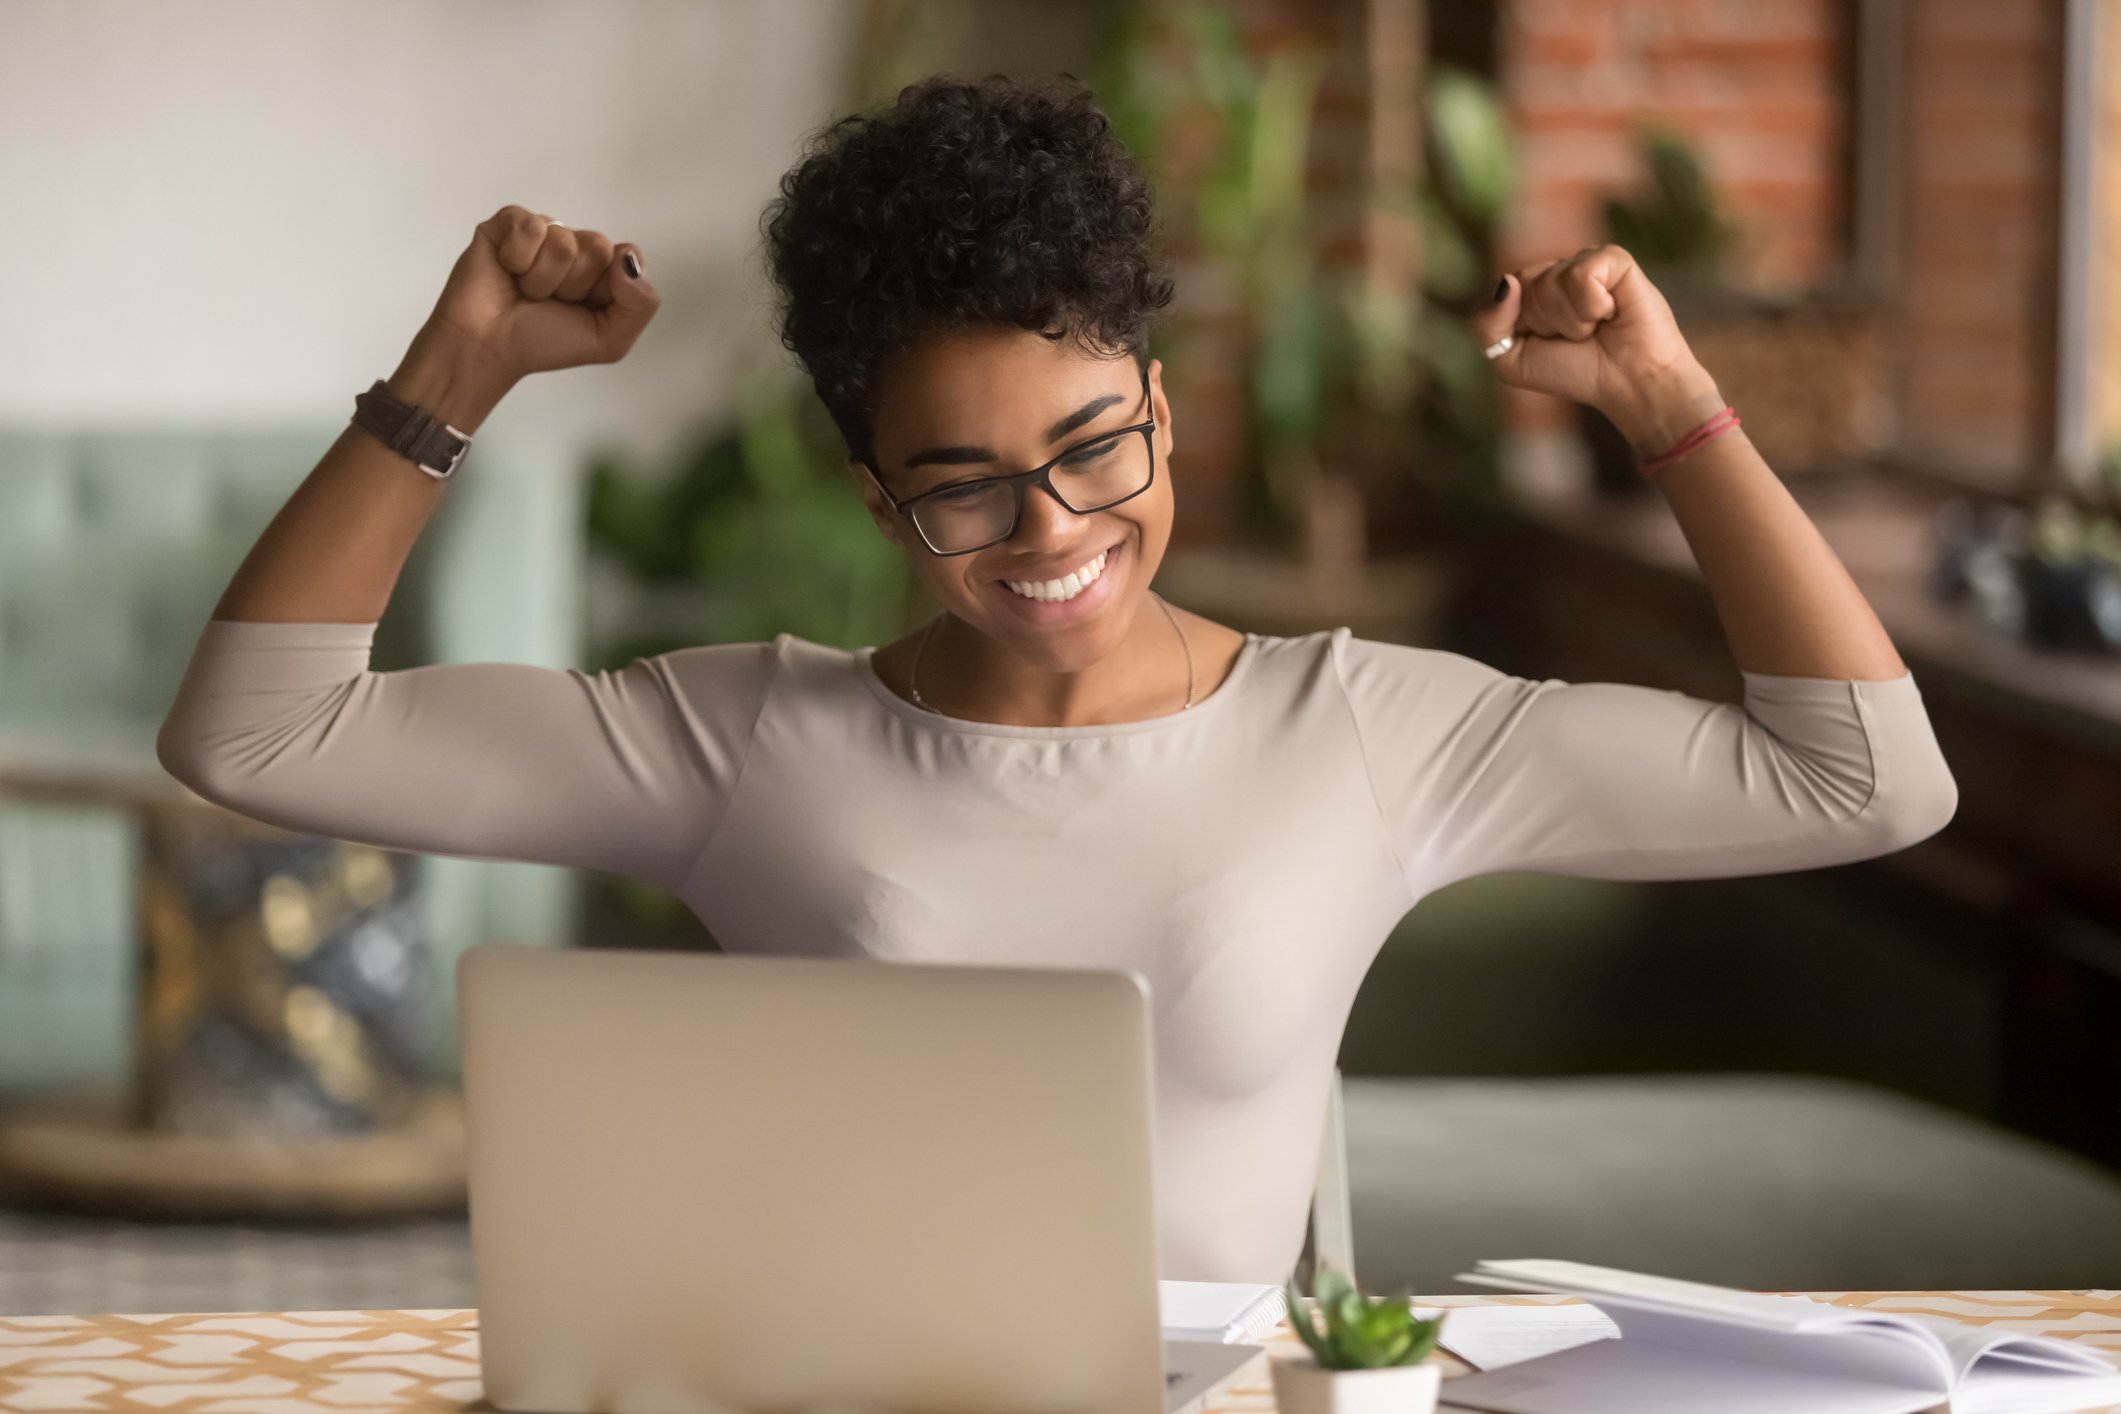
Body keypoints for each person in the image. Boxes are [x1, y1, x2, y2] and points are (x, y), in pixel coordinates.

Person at [157, 73, 1957, 1284]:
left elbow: (1865, 781)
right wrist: (451, 371)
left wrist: (1667, 407)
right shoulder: (740, 739)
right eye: (960, 485)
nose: (1049, 528)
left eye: (1097, 445)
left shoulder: (1372, 731)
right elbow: (254, 730)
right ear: (876, 496)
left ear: (1163, 411)